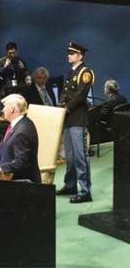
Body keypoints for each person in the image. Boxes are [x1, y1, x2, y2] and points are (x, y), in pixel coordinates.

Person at [58, 42, 94, 203]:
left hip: (78, 118)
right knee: (70, 156)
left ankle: (85, 191)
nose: (69, 55)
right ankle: (70, 185)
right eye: (69, 53)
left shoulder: (85, 73)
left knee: (81, 156)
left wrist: (66, 108)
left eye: (72, 53)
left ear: (80, 56)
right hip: (68, 119)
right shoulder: (71, 72)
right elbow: (65, 94)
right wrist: (61, 106)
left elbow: (80, 95)